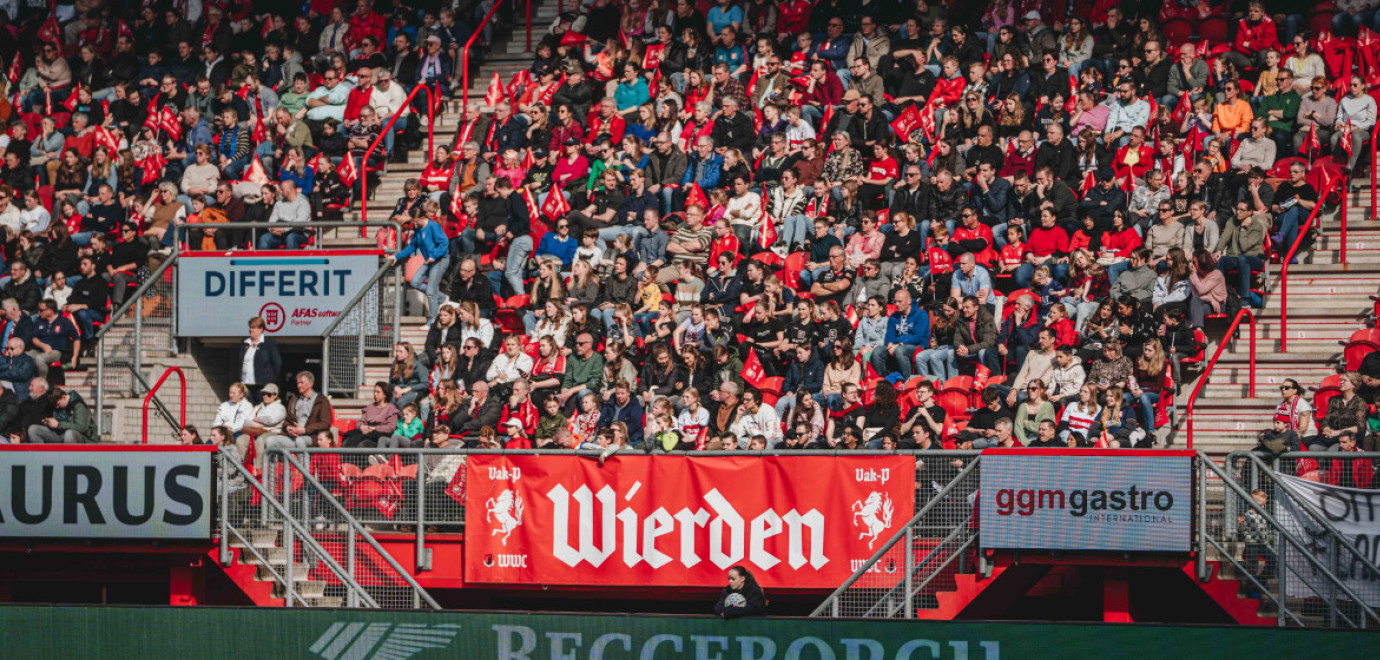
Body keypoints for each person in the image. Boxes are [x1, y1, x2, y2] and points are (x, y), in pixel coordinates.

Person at [238, 316, 282, 403]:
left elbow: (277, 363)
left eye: (254, 328)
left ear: (261, 329)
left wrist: (270, 381)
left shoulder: (269, 344)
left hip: (262, 386)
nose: (251, 330)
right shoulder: (244, 343)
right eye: (250, 327)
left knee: (261, 409)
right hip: (246, 385)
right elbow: (240, 363)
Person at [28, 388, 96, 444]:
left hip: (82, 438)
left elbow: (81, 427)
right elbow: (57, 425)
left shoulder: (79, 405)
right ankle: (41, 457)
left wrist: (58, 425)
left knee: (69, 434)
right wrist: (50, 423)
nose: (57, 407)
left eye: (58, 404)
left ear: (63, 397)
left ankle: (68, 459)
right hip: (60, 435)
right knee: (33, 429)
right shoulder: (57, 407)